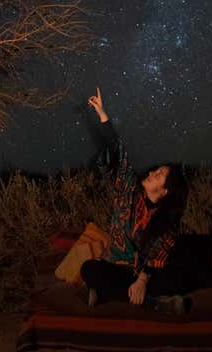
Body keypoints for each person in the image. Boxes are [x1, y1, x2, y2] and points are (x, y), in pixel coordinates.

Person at [80, 87, 191, 315]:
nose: (151, 173)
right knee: (89, 269)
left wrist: (142, 280)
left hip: (146, 274)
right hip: (118, 269)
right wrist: (103, 115)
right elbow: (120, 152)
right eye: (155, 171)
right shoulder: (128, 191)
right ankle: (157, 303)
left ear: (165, 191)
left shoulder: (167, 219)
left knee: (178, 276)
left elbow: (159, 254)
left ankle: (111, 294)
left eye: (159, 175)